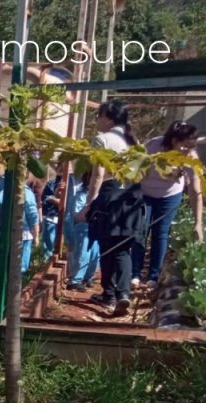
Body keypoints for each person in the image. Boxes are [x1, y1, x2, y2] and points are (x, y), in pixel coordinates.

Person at [78, 100, 140, 317]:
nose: (97, 120)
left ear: (110, 118)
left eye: (100, 116)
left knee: (107, 245)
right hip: (132, 197)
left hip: (110, 195)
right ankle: (122, 294)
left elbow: (98, 175)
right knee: (123, 248)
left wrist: (89, 205)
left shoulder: (102, 140)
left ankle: (109, 294)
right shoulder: (133, 142)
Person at [132, 120, 204, 289]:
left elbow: (195, 191)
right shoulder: (153, 146)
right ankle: (134, 274)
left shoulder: (191, 158)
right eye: (185, 146)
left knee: (161, 233)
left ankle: (153, 277)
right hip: (145, 193)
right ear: (174, 141)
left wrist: (198, 223)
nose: (188, 150)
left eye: (192, 147)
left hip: (169, 196)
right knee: (140, 231)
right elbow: (135, 165)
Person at [65, 171, 100, 290]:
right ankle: (75, 280)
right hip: (83, 228)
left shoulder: (101, 196)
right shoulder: (81, 196)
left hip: (96, 228)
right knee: (83, 255)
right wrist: (90, 208)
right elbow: (77, 215)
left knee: (95, 254)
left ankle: (88, 277)